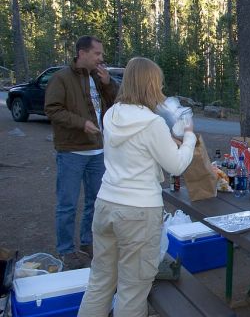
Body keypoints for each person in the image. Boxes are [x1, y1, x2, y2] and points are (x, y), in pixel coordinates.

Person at [78, 57, 196, 317]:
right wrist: (189, 136)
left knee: (100, 283)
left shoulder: (111, 114)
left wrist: (167, 141)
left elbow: (135, 152)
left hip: (107, 204)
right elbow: (176, 166)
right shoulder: (152, 123)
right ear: (150, 84)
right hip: (139, 212)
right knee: (132, 291)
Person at [44, 36, 118, 269]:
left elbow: (116, 103)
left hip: (97, 150)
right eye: (97, 54)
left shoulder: (99, 77)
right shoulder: (61, 78)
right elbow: (52, 109)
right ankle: (66, 250)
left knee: (95, 201)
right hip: (72, 151)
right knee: (67, 203)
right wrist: (81, 123)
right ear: (82, 53)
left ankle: (88, 241)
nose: (101, 59)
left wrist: (108, 84)